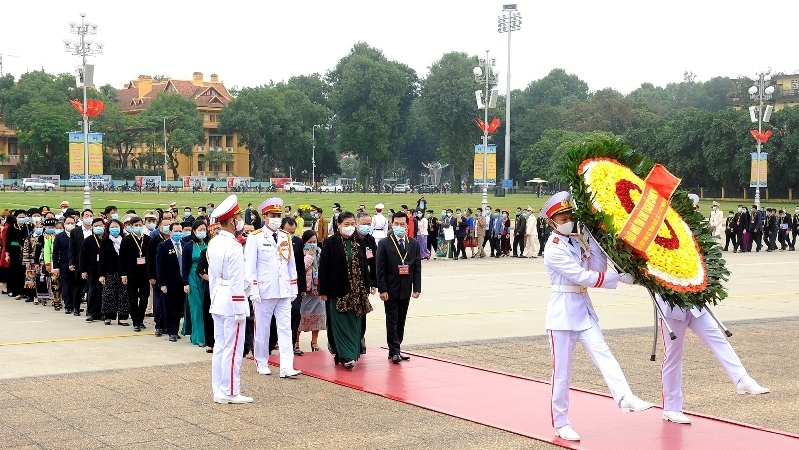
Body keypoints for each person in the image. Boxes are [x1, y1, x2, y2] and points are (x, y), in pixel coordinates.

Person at [542, 191, 652, 442]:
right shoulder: (554, 249)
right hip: (562, 314)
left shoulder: (575, 239)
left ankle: (625, 397)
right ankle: (561, 423)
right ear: (551, 222)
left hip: (583, 308)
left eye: (569, 214)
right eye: (562, 217)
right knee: (561, 373)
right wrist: (620, 279)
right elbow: (584, 278)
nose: (568, 219)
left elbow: (596, 269)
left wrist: (594, 242)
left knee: (604, 353)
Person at [655, 293, 769, 424]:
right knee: (673, 356)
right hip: (671, 309)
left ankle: (742, 379)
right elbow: (629, 276)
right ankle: (671, 408)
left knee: (718, 339)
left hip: (695, 305)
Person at [244, 198, 302, 378]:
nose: (276, 218)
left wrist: (293, 288)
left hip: (283, 289)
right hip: (264, 290)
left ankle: (286, 366)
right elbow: (250, 266)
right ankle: (261, 360)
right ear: (264, 216)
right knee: (262, 328)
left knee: (285, 328)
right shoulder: (256, 237)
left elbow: (290, 264)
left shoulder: (286, 236)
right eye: (273, 215)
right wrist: (253, 290)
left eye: (278, 215)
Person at [208, 195, 252, 404]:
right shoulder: (233, 245)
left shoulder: (215, 242)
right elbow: (236, 280)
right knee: (233, 348)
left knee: (220, 346)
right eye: (237, 218)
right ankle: (231, 391)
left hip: (218, 298)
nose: (239, 221)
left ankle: (219, 389)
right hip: (232, 300)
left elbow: (214, 278)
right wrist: (238, 307)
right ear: (231, 221)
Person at [318, 212, 374, 369]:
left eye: (352, 224)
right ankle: (345, 356)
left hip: (357, 292)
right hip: (338, 291)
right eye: (346, 224)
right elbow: (324, 268)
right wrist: (323, 290)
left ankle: (348, 352)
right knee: (341, 324)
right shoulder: (330, 242)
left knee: (356, 324)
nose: (350, 227)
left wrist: (368, 284)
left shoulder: (358, 241)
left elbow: (364, 266)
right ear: (339, 225)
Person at [376, 211, 421, 364]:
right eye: (397, 224)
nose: (399, 227)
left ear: (407, 226)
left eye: (402, 224)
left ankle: (397, 347)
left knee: (401, 319)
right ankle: (394, 350)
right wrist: (382, 289)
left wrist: (417, 288)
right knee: (392, 319)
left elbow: (417, 267)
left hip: (406, 288)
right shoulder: (384, 243)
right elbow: (380, 269)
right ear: (392, 224)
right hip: (390, 288)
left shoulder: (413, 243)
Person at [156, 222, 187, 342]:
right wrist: (162, 284)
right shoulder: (163, 246)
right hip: (169, 283)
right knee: (169, 307)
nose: (179, 233)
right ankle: (171, 331)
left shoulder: (184, 245)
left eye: (180, 231)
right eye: (176, 231)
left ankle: (176, 328)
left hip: (181, 282)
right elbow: (160, 266)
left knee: (178, 308)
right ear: (170, 232)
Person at [120, 217, 151, 332]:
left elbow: (151, 258)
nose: (138, 227)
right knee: (133, 299)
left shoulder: (147, 239)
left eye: (140, 225)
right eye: (136, 225)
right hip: (131, 274)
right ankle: (135, 321)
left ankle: (141, 319)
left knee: (144, 298)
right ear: (131, 226)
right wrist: (123, 275)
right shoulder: (127, 240)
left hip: (144, 274)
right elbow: (122, 258)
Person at [98, 219, 130, 326]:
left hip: (123, 272)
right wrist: (102, 275)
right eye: (112, 227)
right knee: (108, 294)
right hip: (109, 272)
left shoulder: (125, 240)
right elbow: (102, 259)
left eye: (116, 227)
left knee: (123, 294)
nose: (114, 229)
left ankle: (122, 317)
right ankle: (108, 316)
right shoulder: (105, 241)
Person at [182, 219, 208, 346]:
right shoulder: (189, 246)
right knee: (197, 308)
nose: (203, 232)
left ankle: (207, 335)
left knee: (206, 307)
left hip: (206, 278)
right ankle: (199, 337)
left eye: (204, 229)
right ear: (194, 231)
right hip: (193, 278)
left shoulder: (209, 244)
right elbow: (185, 266)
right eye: (200, 230)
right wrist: (185, 283)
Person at [298, 230, 325, 352]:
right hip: (305, 291)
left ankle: (314, 341)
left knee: (318, 317)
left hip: (317, 291)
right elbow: (301, 269)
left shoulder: (320, 253)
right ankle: (296, 341)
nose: (313, 244)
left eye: (315, 242)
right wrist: (309, 256)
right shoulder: (300, 253)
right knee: (300, 317)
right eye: (310, 242)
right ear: (304, 243)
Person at [148, 215, 172, 336]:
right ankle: (159, 325)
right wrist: (151, 276)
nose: (167, 228)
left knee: (169, 302)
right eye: (164, 225)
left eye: (169, 225)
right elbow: (150, 259)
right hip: (158, 276)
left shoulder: (174, 241)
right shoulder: (155, 240)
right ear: (160, 227)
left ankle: (169, 325)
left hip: (171, 276)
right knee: (158, 301)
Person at [52, 216, 74, 312]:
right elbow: (55, 253)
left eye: (72, 223)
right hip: (64, 264)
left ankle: (75, 304)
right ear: (64, 224)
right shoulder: (60, 237)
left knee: (76, 286)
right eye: (68, 223)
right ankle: (68, 305)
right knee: (66, 285)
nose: (70, 225)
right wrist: (56, 267)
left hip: (76, 264)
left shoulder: (78, 234)